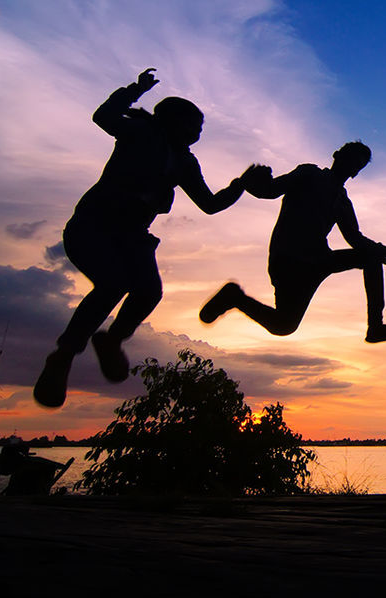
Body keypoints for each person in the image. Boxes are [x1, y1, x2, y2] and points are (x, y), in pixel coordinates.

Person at [34, 68, 262, 408]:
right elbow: (103, 116)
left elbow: (210, 204)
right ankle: (64, 354)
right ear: (172, 121)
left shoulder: (184, 162)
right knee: (112, 284)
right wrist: (134, 90)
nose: (198, 133)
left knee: (148, 291)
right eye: (194, 126)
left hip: (132, 237)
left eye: (201, 129)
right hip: (93, 226)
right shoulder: (140, 131)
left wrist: (240, 184)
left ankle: (112, 340)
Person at [198, 142, 386, 343]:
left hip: (319, 261)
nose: (352, 164)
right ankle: (235, 298)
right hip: (289, 259)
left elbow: (356, 239)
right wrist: (250, 179)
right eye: (350, 156)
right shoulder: (309, 174)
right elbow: (269, 191)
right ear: (337, 155)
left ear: (356, 172)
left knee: (371, 257)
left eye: (357, 163)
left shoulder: (342, 201)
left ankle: (375, 326)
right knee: (284, 325)